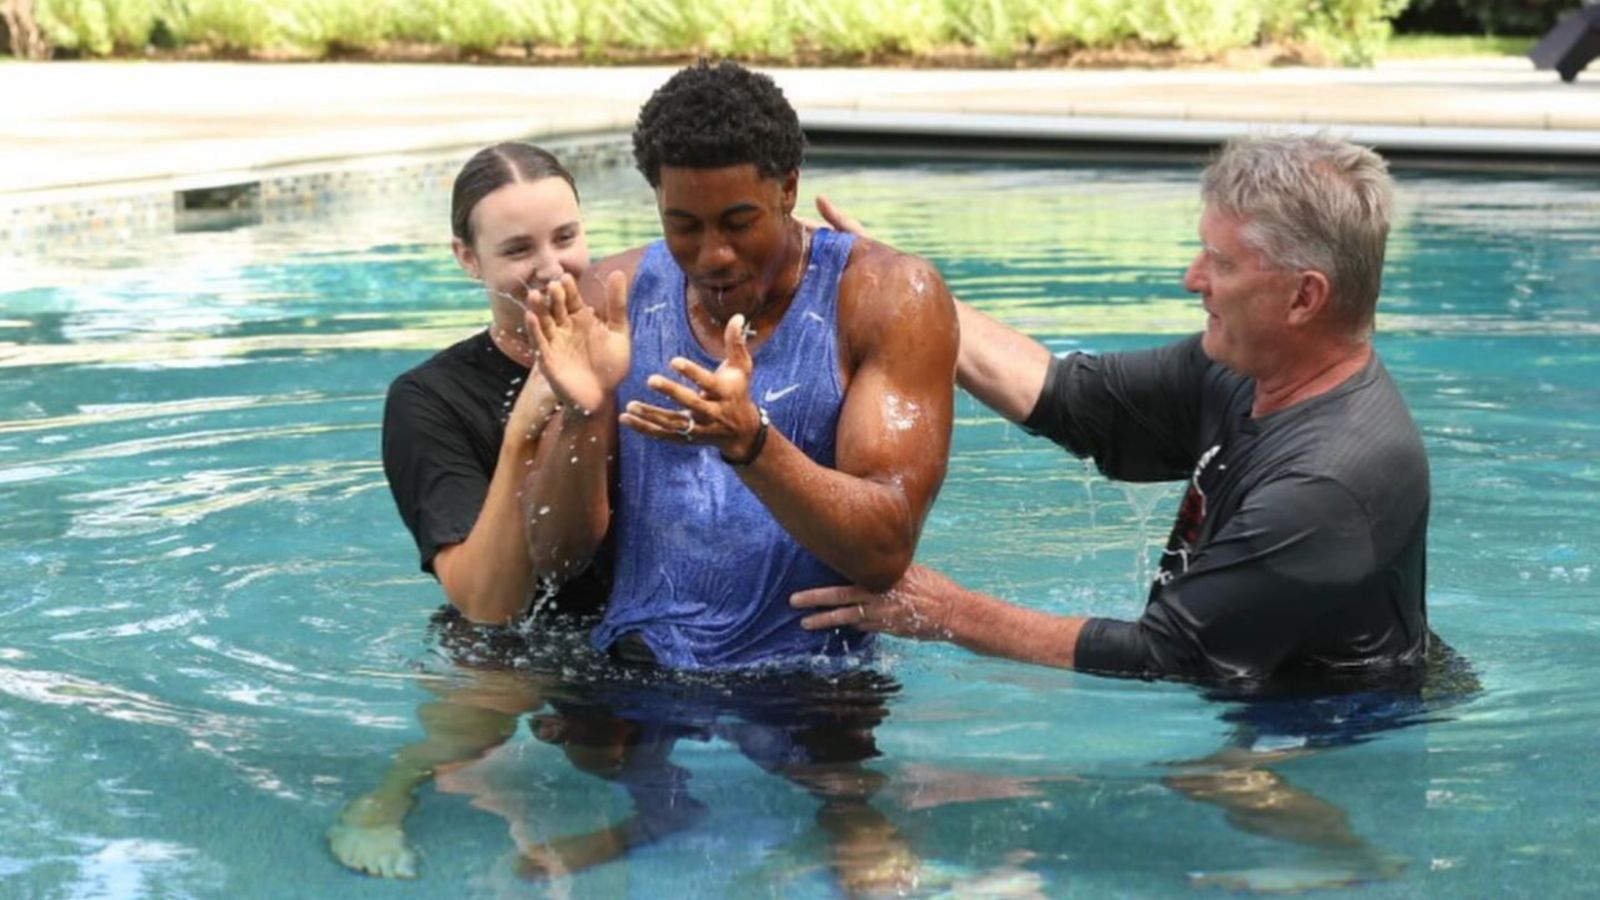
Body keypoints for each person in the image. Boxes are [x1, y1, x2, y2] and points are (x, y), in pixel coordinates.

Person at [501, 59, 958, 890]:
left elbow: (884, 549)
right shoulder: (620, 293)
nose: (711, 254)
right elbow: (558, 557)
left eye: (739, 220)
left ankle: (847, 820)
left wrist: (752, 443)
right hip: (639, 662)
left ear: (789, 186)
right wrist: (582, 408)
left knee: (865, 846)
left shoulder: (887, 296)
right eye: (684, 226)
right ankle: (649, 818)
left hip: (815, 681)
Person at [794, 133, 1431, 688]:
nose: (1192, 277)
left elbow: (1164, 653)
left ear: (1303, 298)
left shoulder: (1324, 487)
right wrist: (906, 294)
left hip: (1328, 736)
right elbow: (1070, 398)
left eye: (1222, 262)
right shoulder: (1249, 373)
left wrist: (946, 611)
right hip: (1250, 692)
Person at [329, 143, 612, 878]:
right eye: (517, 249)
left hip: (644, 623)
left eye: (566, 238)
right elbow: (486, 603)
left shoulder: (638, 347)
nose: (551, 268)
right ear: (468, 259)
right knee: (480, 708)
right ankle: (387, 797)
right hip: (514, 640)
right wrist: (528, 424)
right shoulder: (428, 400)